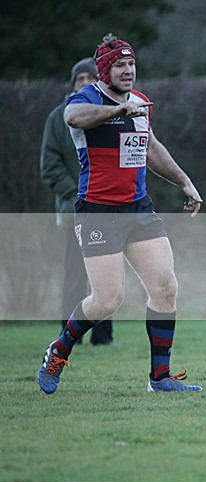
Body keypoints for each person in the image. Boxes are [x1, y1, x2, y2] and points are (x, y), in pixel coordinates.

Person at [38, 33, 204, 394]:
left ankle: (159, 378)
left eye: (131, 64)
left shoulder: (141, 102)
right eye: (119, 65)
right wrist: (116, 110)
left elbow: (151, 148)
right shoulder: (86, 99)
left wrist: (185, 182)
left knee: (165, 287)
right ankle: (59, 350)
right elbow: (73, 117)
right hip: (98, 211)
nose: (128, 71)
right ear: (103, 71)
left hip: (138, 208)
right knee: (107, 300)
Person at [40, 57, 114, 347]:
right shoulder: (58, 117)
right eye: (79, 79)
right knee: (74, 276)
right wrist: (77, 193)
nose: (84, 83)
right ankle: (70, 337)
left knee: (106, 276)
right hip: (74, 210)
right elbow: (49, 166)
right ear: (73, 84)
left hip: (107, 209)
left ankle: (103, 337)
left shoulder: (110, 115)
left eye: (90, 78)